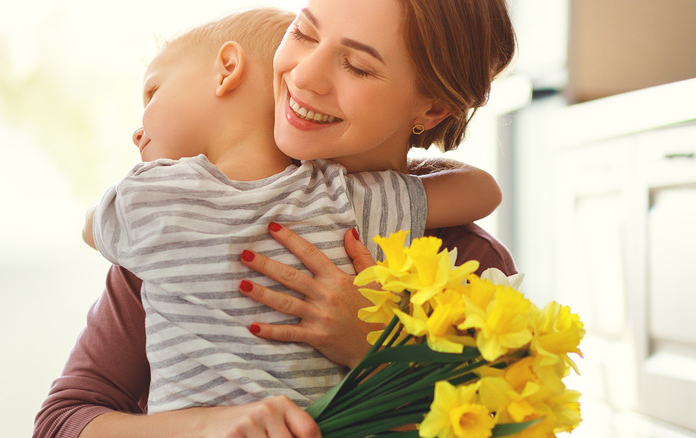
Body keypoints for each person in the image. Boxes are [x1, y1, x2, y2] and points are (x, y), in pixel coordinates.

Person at [34, 0, 517, 436]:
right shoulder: (186, 223)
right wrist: (209, 426)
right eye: (304, 34)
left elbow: (511, 425)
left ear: (431, 108)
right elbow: (63, 422)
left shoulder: (470, 265)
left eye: (357, 65)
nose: (305, 76)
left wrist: (376, 349)